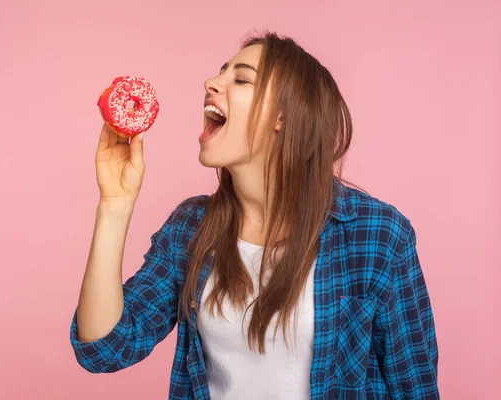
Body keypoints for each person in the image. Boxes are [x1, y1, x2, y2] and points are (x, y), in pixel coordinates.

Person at [70, 30, 440, 399]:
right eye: (220, 72)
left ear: (282, 117)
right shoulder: (190, 226)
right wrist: (114, 205)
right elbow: (104, 349)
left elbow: (415, 388)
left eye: (241, 78)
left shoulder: (377, 235)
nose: (210, 83)